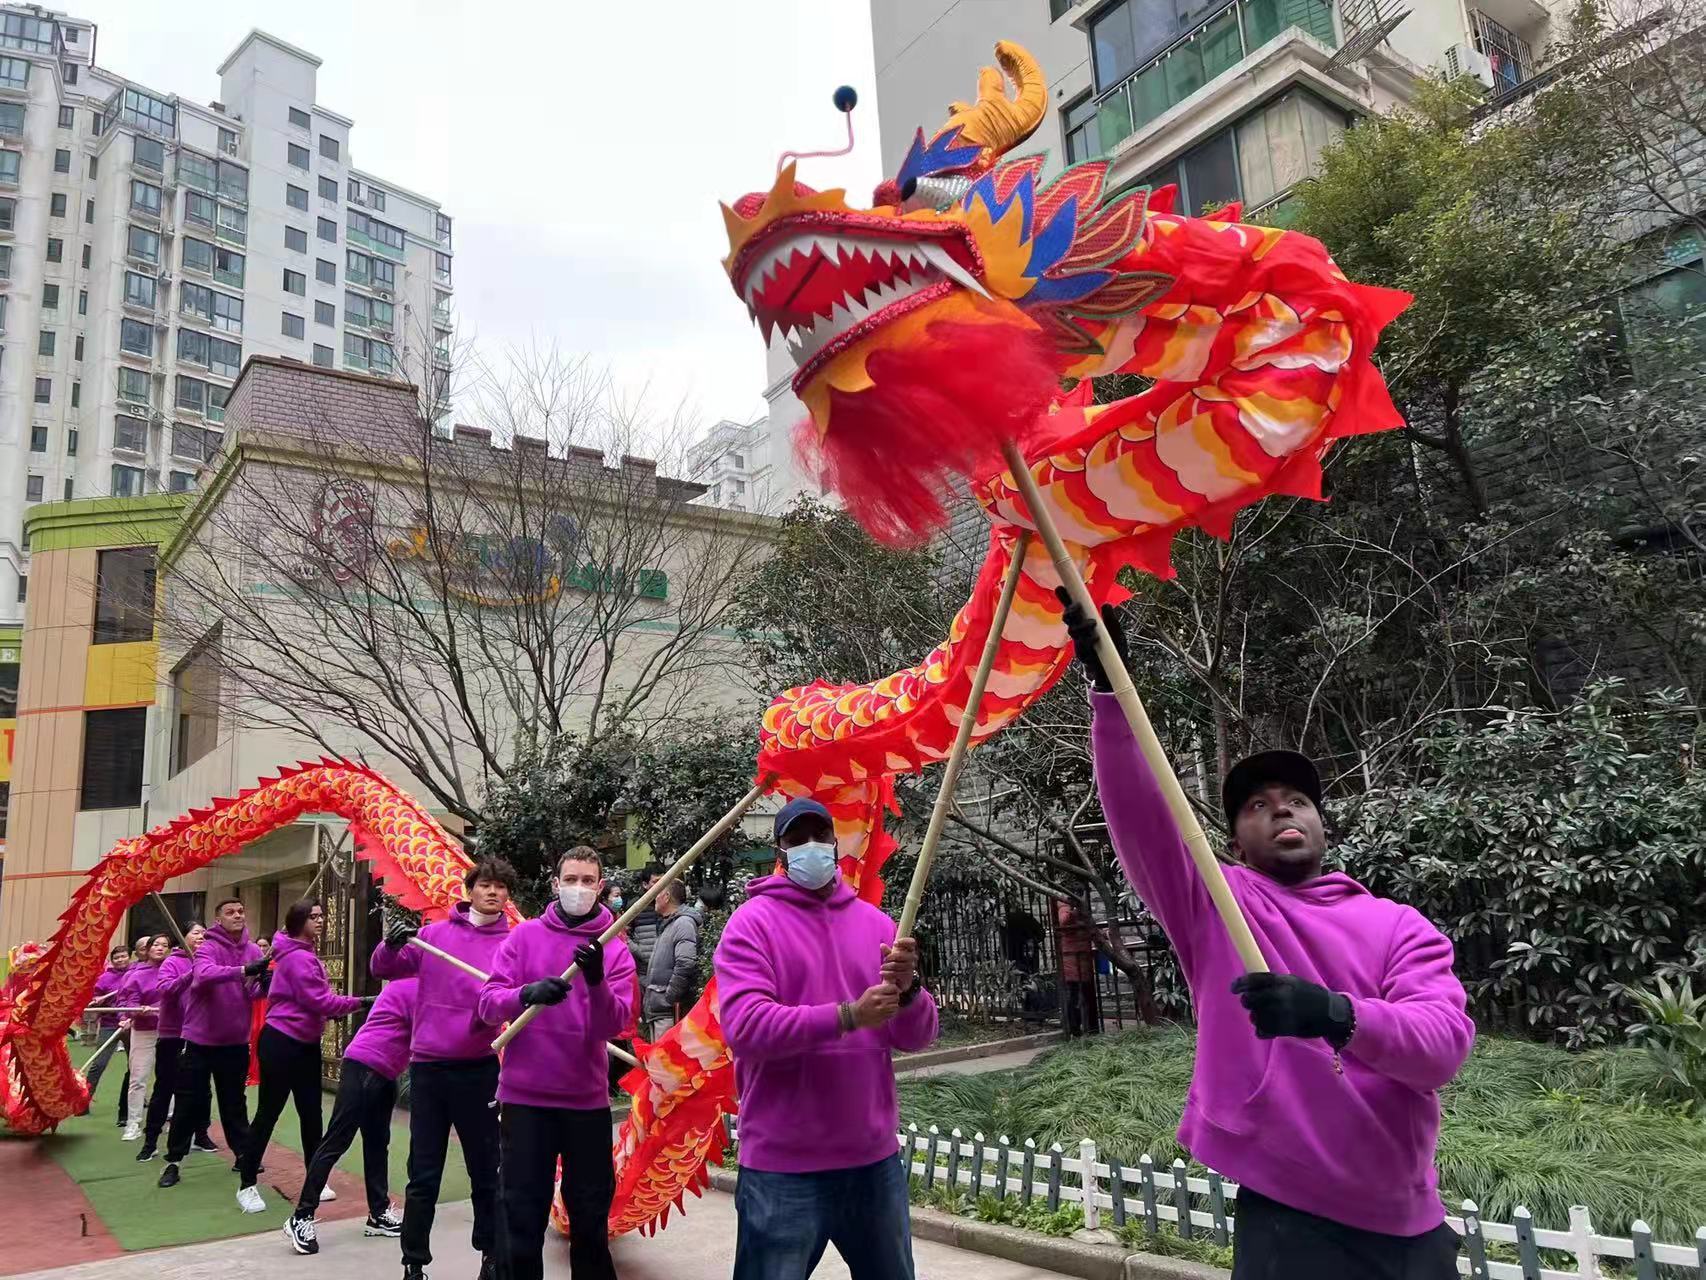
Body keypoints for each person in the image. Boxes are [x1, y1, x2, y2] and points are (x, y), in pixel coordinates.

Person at [1061, 597, 1476, 1280]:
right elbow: (1141, 815)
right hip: (1288, 1215)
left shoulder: (1399, 925)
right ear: (1233, 842)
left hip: (1409, 1223)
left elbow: (1441, 1048)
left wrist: (1335, 1014)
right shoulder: (1218, 903)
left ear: (1320, 825)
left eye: (1298, 799)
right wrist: (1111, 689)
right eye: (1257, 804)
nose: (1281, 806)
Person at [716, 797, 939, 1280]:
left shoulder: (879, 926)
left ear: (836, 845)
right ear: (781, 850)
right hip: (782, 1166)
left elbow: (918, 1036)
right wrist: (847, 1016)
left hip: (872, 1162)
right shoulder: (751, 926)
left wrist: (911, 991)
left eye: (820, 836)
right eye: (798, 839)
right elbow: (746, 1028)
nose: (811, 847)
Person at [479, 846, 637, 1280]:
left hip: (585, 1102)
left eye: (588, 881)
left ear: (601, 888)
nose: (579, 888)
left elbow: (616, 1025)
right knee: (521, 1213)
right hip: (525, 1100)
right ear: (555, 883)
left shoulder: (615, 949)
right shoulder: (523, 937)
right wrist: (524, 995)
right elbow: (488, 1005)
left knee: (589, 1216)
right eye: (571, 879)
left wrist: (597, 980)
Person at [373, 858, 515, 1280]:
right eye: (486, 885)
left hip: (480, 1068)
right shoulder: (434, 936)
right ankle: (413, 1262)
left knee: (485, 1168)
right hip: (430, 1069)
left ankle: (490, 1256)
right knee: (424, 1171)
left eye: (501, 888)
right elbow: (383, 968)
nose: (493, 893)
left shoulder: (513, 943)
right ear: (470, 889)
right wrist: (393, 944)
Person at [236, 900, 369, 1214]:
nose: (320, 921)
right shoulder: (296, 958)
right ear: (298, 921)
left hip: (305, 1043)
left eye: (322, 915)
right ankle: (247, 1184)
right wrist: (364, 1001)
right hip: (282, 1042)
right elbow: (320, 1001)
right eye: (313, 916)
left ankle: (316, 1178)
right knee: (269, 1112)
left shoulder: (304, 954)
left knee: (312, 1114)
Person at [283, 977, 418, 1255]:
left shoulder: (418, 987)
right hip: (365, 1066)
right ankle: (301, 1216)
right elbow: (430, 1034)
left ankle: (378, 1213)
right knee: (336, 1141)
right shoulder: (412, 987)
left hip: (386, 1071)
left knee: (378, 1142)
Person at [158, 898, 268, 1189]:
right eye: (230, 912)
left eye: (241, 911)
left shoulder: (254, 950)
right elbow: (204, 974)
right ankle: (174, 1160)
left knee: (234, 1103)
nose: (238, 916)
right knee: (188, 1102)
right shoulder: (206, 947)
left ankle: (244, 1154)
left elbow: (252, 992)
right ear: (218, 919)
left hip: (234, 1041)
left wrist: (263, 983)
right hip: (199, 1040)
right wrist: (244, 971)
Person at [138, 923, 216, 1162]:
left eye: (204, 932)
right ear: (183, 938)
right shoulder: (173, 962)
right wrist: (191, 974)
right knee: (165, 1088)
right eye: (195, 932)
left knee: (202, 1089)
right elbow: (165, 990)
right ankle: (151, 1140)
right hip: (172, 1034)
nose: (201, 936)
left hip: (201, 1034)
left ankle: (201, 1134)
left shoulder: (210, 959)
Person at [118, 935, 169, 1140]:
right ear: (147, 949)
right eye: (156, 945)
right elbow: (128, 1001)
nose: (160, 948)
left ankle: (170, 1119)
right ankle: (133, 1123)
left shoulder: (173, 970)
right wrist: (135, 1011)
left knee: (170, 1078)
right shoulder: (136, 974)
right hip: (144, 1031)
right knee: (138, 1078)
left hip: (170, 1031)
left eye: (165, 945)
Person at [641, 879, 700, 1039]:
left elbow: (686, 963)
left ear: (666, 896)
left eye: (658, 892)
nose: (655, 897)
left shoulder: (683, 923)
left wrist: (669, 997)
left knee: (665, 1061)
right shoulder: (670, 923)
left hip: (667, 1010)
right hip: (659, 1009)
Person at [82, 944, 133, 1125]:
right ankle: (83, 1101)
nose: (120, 960)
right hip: (110, 1025)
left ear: (129, 957)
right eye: (117, 957)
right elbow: (95, 1002)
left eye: (123, 956)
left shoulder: (134, 973)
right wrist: (97, 1001)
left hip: (130, 1025)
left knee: (134, 1065)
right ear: (112, 961)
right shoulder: (105, 978)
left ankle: (136, 1101)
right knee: (99, 1063)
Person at [1054, 900, 1100, 1037]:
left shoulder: (1081, 907)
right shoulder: (1065, 906)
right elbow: (1064, 922)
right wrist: (1073, 911)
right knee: (1073, 994)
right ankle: (1073, 1026)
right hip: (1072, 957)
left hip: (1082, 956)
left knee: (1085, 994)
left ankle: (1086, 1026)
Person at [626, 864, 665, 974]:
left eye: (664, 880)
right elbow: (624, 934)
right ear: (645, 884)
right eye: (655, 881)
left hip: (665, 968)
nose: (661, 885)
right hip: (643, 970)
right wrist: (638, 951)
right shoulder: (635, 906)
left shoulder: (669, 902)